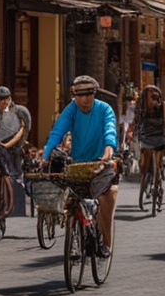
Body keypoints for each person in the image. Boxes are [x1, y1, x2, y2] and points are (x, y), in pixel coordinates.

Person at [42, 76, 118, 255]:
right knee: (70, 200)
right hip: (77, 164)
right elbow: (58, 132)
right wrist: (45, 156)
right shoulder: (71, 110)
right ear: (74, 96)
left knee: (107, 201)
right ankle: (76, 234)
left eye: (89, 94)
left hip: (100, 163)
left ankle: (106, 242)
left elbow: (110, 130)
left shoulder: (104, 109)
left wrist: (108, 151)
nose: (85, 99)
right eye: (80, 95)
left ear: (94, 93)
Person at [129, 85, 165, 194]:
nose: (152, 100)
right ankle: (146, 177)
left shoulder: (164, 106)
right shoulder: (141, 107)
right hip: (146, 137)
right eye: (150, 97)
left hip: (159, 136)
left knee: (157, 162)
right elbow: (137, 123)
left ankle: (157, 177)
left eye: (155, 96)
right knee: (144, 164)